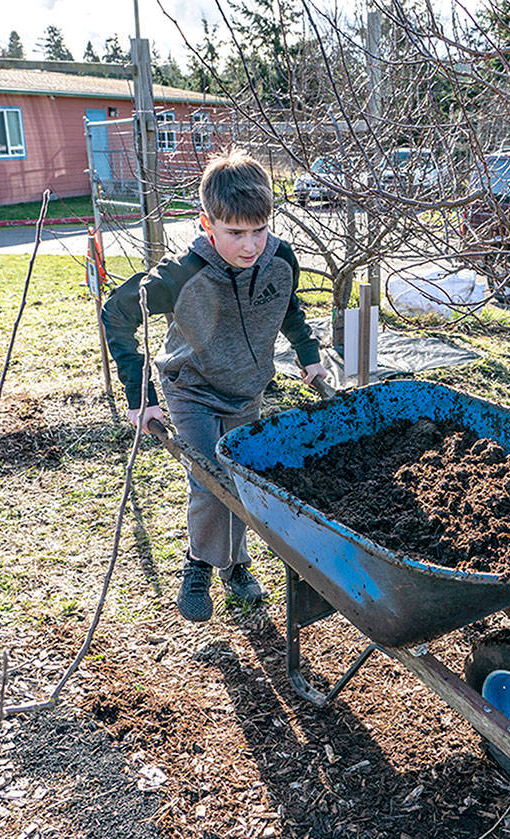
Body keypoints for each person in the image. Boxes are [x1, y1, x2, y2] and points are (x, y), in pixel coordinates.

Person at [101, 147, 327, 622]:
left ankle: (235, 566)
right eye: (235, 233)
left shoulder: (279, 259)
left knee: (241, 481)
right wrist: (141, 397)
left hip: (247, 389)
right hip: (192, 389)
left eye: (260, 230)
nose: (251, 246)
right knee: (210, 480)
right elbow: (116, 315)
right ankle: (200, 563)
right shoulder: (181, 274)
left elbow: (289, 307)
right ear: (207, 224)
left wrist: (309, 357)